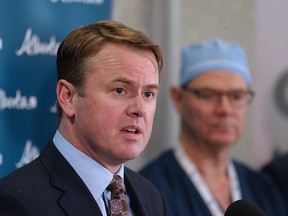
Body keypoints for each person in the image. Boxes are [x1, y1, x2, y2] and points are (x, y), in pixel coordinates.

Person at [0, 20, 167, 216]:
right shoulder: (17, 203)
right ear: (68, 97)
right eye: (120, 90)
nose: (139, 109)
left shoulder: (150, 196)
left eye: (148, 94)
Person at [140, 38, 286, 216]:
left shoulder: (264, 189)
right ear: (179, 99)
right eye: (208, 95)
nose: (225, 109)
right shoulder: (149, 190)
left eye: (237, 96)